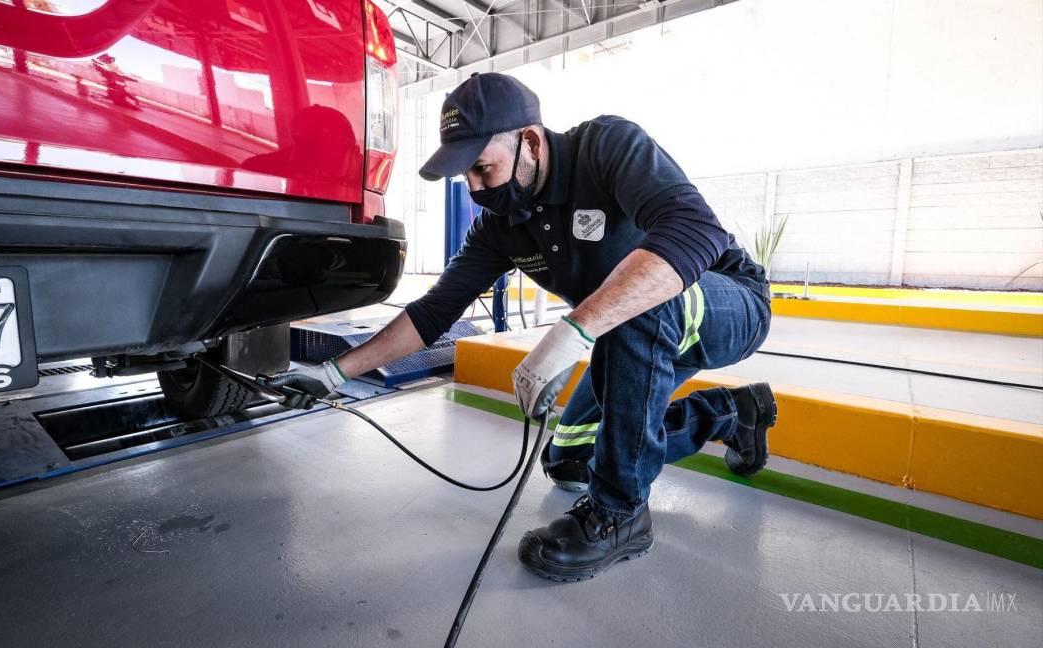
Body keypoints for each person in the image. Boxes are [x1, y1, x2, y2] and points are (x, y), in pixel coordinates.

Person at [265, 73, 777, 582]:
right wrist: (334, 373)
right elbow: (434, 312)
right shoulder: (500, 227)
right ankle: (733, 414)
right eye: (464, 175)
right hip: (632, 336)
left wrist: (571, 334)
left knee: (634, 307)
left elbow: (695, 230)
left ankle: (621, 513)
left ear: (529, 141)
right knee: (571, 458)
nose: (474, 187)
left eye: (482, 169)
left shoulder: (606, 147)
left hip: (725, 302)